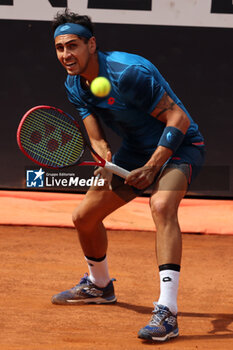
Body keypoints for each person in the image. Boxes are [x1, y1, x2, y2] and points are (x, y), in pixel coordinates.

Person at [51, 9, 205, 342]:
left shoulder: (128, 72)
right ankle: (100, 285)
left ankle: (167, 312)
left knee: (162, 207)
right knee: (84, 217)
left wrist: (152, 167)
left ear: (92, 45)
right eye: (60, 48)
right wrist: (104, 155)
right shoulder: (75, 83)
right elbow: (95, 135)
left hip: (181, 147)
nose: (66, 55)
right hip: (135, 153)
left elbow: (178, 118)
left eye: (73, 45)